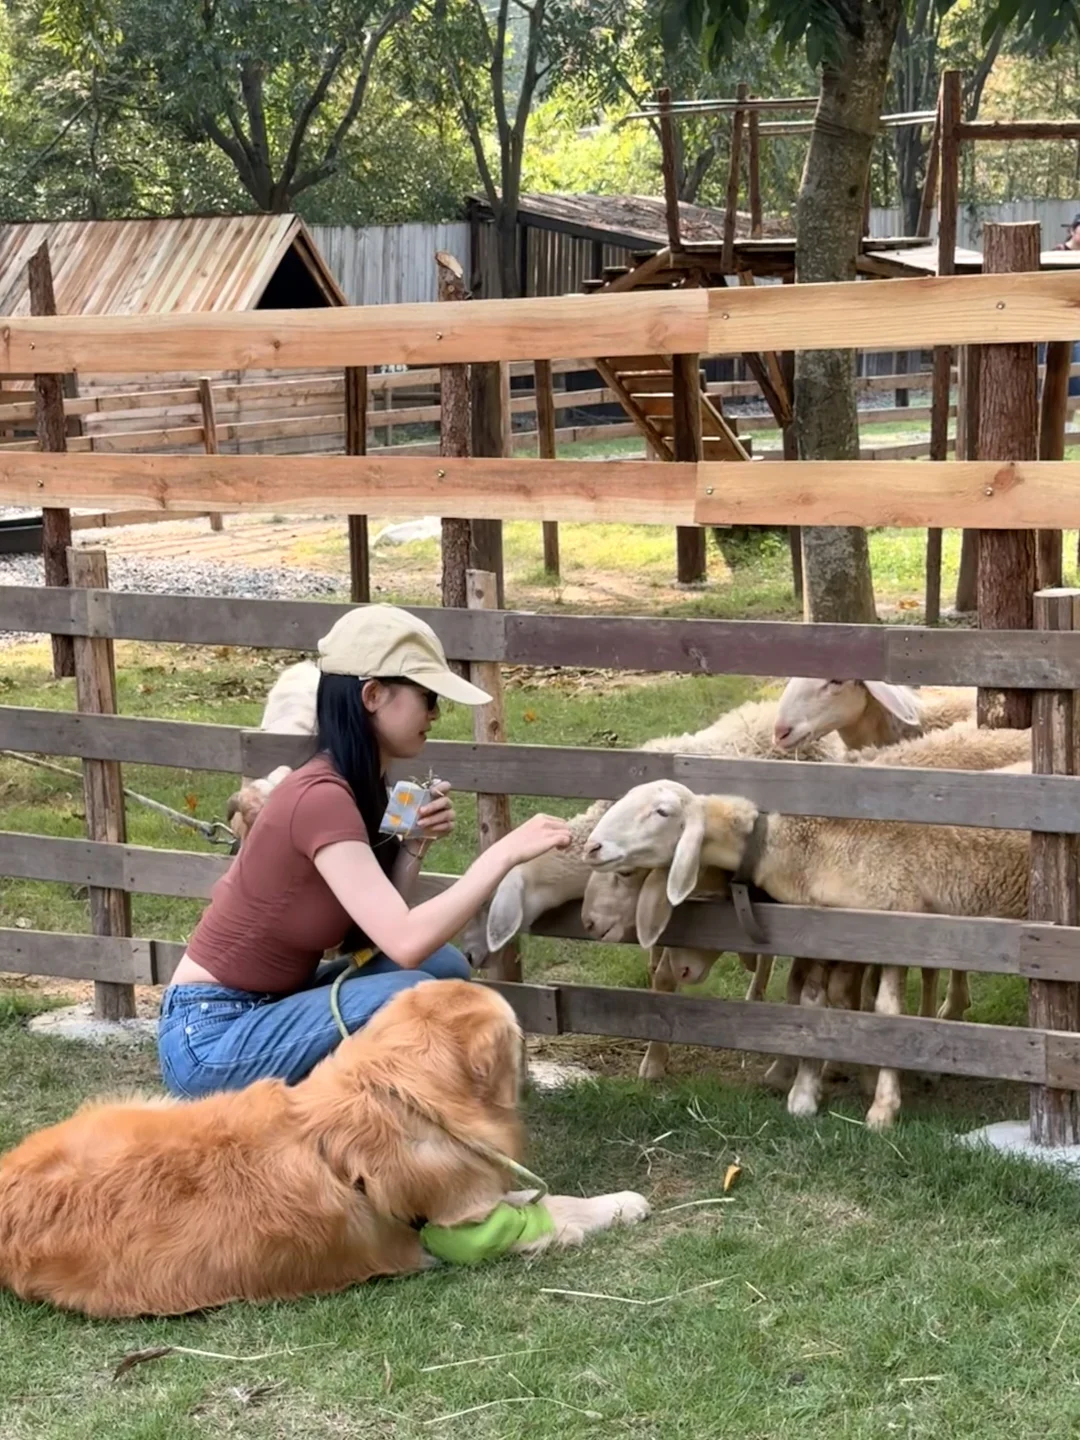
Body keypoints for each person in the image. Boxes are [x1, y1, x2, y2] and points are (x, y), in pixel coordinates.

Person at [158, 605, 573, 1099]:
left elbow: (370, 934)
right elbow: (403, 941)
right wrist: (501, 856)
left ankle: (384, 1111)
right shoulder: (321, 797)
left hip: (273, 1008)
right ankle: (391, 1115)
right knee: (409, 991)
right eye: (428, 697)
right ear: (373, 695)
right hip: (211, 1036)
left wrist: (414, 844)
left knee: (443, 969)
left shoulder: (359, 786)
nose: (436, 714)